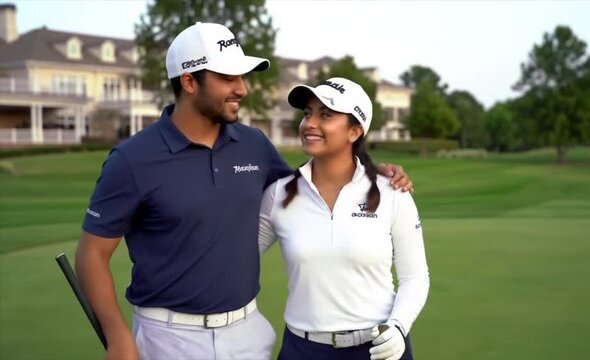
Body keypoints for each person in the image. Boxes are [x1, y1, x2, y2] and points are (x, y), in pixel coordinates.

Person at [75, 22, 413, 360]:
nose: (243, 88)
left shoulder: (254, 145)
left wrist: (368, 172)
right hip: (169, 337)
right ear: (190, 81)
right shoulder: (132, 159)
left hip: (247, 333)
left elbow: (307, 187)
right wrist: (118, 337)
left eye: (242, 77)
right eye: (228, 77)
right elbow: (92, 254)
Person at [258, 77, 430, 360]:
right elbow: (238, 261)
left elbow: (415, 277)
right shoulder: (279, 194)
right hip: (303, 349)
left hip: (380, 348)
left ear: (354, 131)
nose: (310, 123)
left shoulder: (393, 192)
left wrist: (399, 327)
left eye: (325, 114)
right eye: (307, 113)